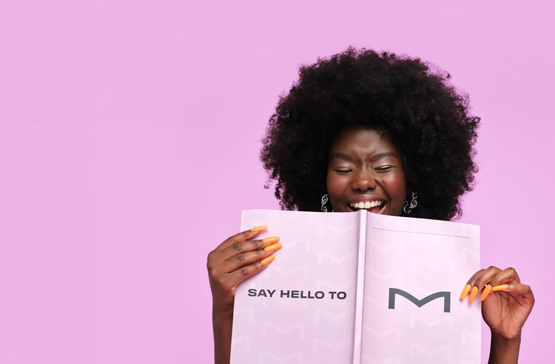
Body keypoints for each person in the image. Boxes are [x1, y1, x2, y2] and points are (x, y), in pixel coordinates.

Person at [206, 47, 535, 364]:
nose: (362, 181)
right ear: (320, 180)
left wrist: (507, 340)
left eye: (382, 167)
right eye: (344, 169)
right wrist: (225, 309)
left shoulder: (450, 274)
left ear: (413, 179)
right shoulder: (281, 268)